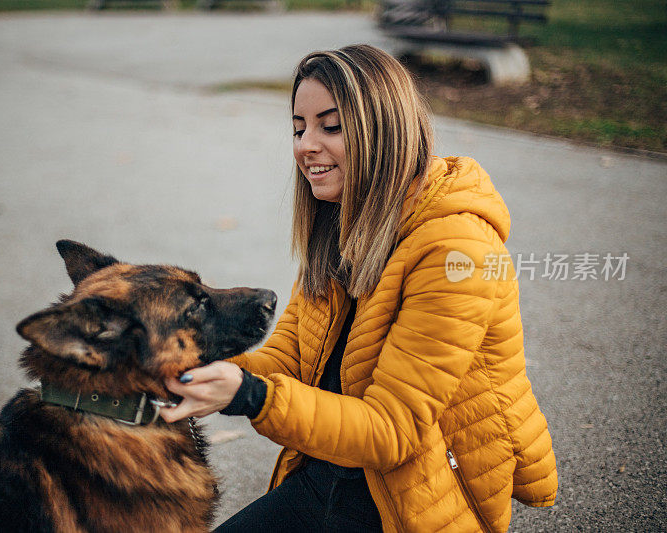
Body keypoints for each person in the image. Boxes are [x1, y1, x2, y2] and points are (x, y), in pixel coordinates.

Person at [161, 44, 558, 532]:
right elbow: (287, 362)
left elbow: (390, 431)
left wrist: (248, 395)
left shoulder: (458, 251)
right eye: (298, 127)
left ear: (385, 131)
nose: (306, 145)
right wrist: (183, 371)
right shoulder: (341, 225)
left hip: (413, 500)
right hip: (326, 478)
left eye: (331, 126)